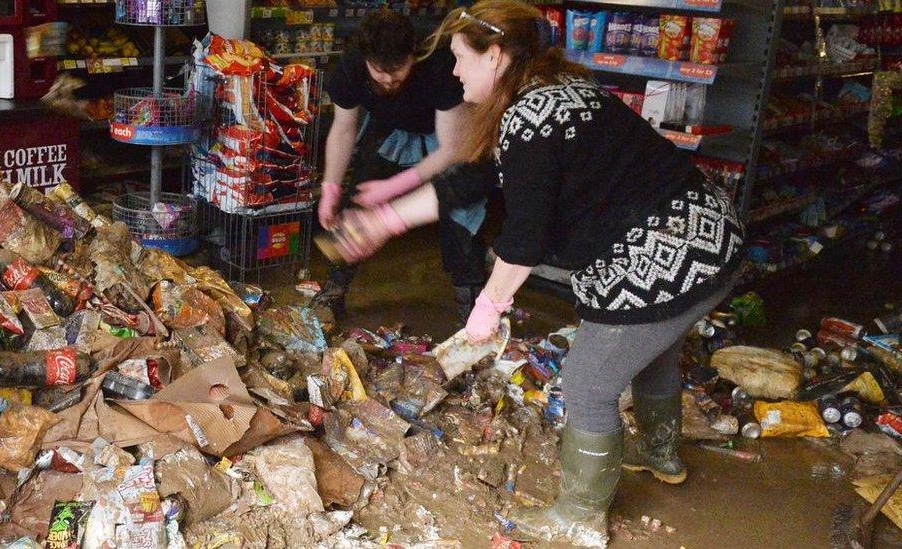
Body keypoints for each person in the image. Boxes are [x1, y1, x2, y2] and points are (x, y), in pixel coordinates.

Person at [316, 1, 746, 546]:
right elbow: (470, 181)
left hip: (673, 250)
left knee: (588, 383)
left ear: (494, 57)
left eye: (459, 59)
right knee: (652, 348)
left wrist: (485, 314)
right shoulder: (548, 94)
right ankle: (660, 455)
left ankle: (580, 515)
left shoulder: (530, 118)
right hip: (712, 235)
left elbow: (523, 243)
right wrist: (386, 221)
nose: (452, 73)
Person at [313, 9, 489, 321]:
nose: (390, 80)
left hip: (449, 138)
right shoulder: (352, 67)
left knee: (461, 216)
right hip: (394, 134)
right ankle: (332, 292)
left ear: (413, 54)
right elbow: (343, 129)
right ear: (366, 60)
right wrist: (330, 187)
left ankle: (473, 310)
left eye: (399, 71)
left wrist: (396, 186)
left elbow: (451, 149)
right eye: (380, 72)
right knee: (356, 208)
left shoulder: (440, 64)